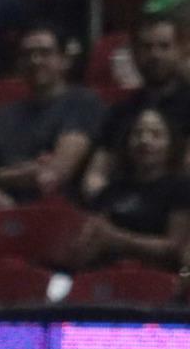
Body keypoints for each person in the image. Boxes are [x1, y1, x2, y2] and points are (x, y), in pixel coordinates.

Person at [0, 25, 104, 210]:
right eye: (27, 54)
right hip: (1, 213)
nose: (35, 60)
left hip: (58, 213)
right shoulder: (3, 114)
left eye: (45, 53)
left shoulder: (83, 102)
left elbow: (56, 172)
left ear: (64, 61)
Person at [82, 16, 190, 200]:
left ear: (180, 51)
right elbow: (96, 174)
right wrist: (101, 198)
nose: (155, 55)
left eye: (164, 46)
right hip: (124, 205)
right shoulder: (120, 111)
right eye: (147, 47)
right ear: (134, 53)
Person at [75, 107, 190, 269]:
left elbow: (174, 248)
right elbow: (93, 235)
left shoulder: (181, 188)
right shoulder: (111, 190)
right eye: (137, 134)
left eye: (156, 135)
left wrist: (119, 240)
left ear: (171, 144)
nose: (145, 140)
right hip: (106, 274)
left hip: (156, 277)